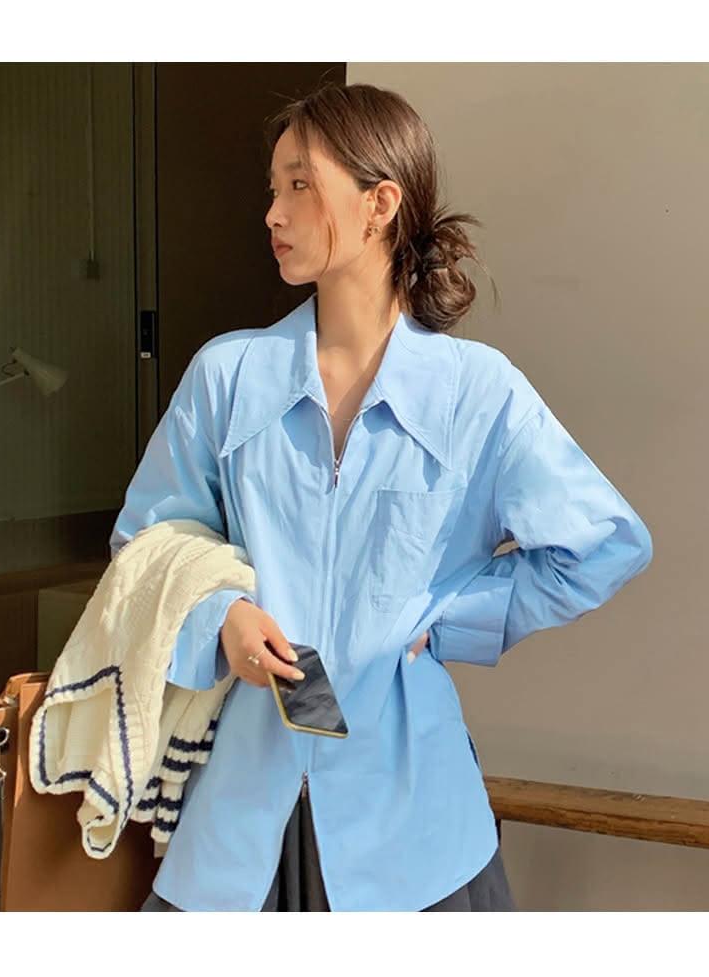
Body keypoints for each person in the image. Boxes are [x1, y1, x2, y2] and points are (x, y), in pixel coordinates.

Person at [111, 81, 654, 912]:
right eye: (272, 188)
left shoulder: (476, 391)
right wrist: (221, 618)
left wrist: (447, 621)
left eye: (300, 184)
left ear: (380, 203)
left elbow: (605, 542)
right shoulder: (228, 376)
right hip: (236, 828)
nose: (272, 212)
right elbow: (146, 541)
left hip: (415, 833)